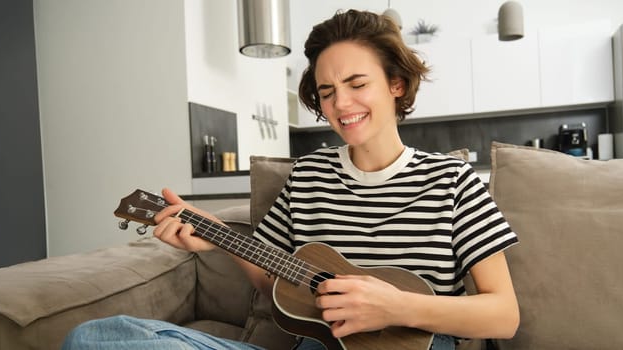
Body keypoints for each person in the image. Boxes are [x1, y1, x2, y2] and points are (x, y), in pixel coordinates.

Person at [62, 8, 519, 350]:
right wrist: (216, 235)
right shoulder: (309, 176)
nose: (341, 104)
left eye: (357, 84)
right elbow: (275, 283)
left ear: (396, 84)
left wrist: (397, 307)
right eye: (327, 92)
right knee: (98, 337)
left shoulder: (453, 180)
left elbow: (504, 315)